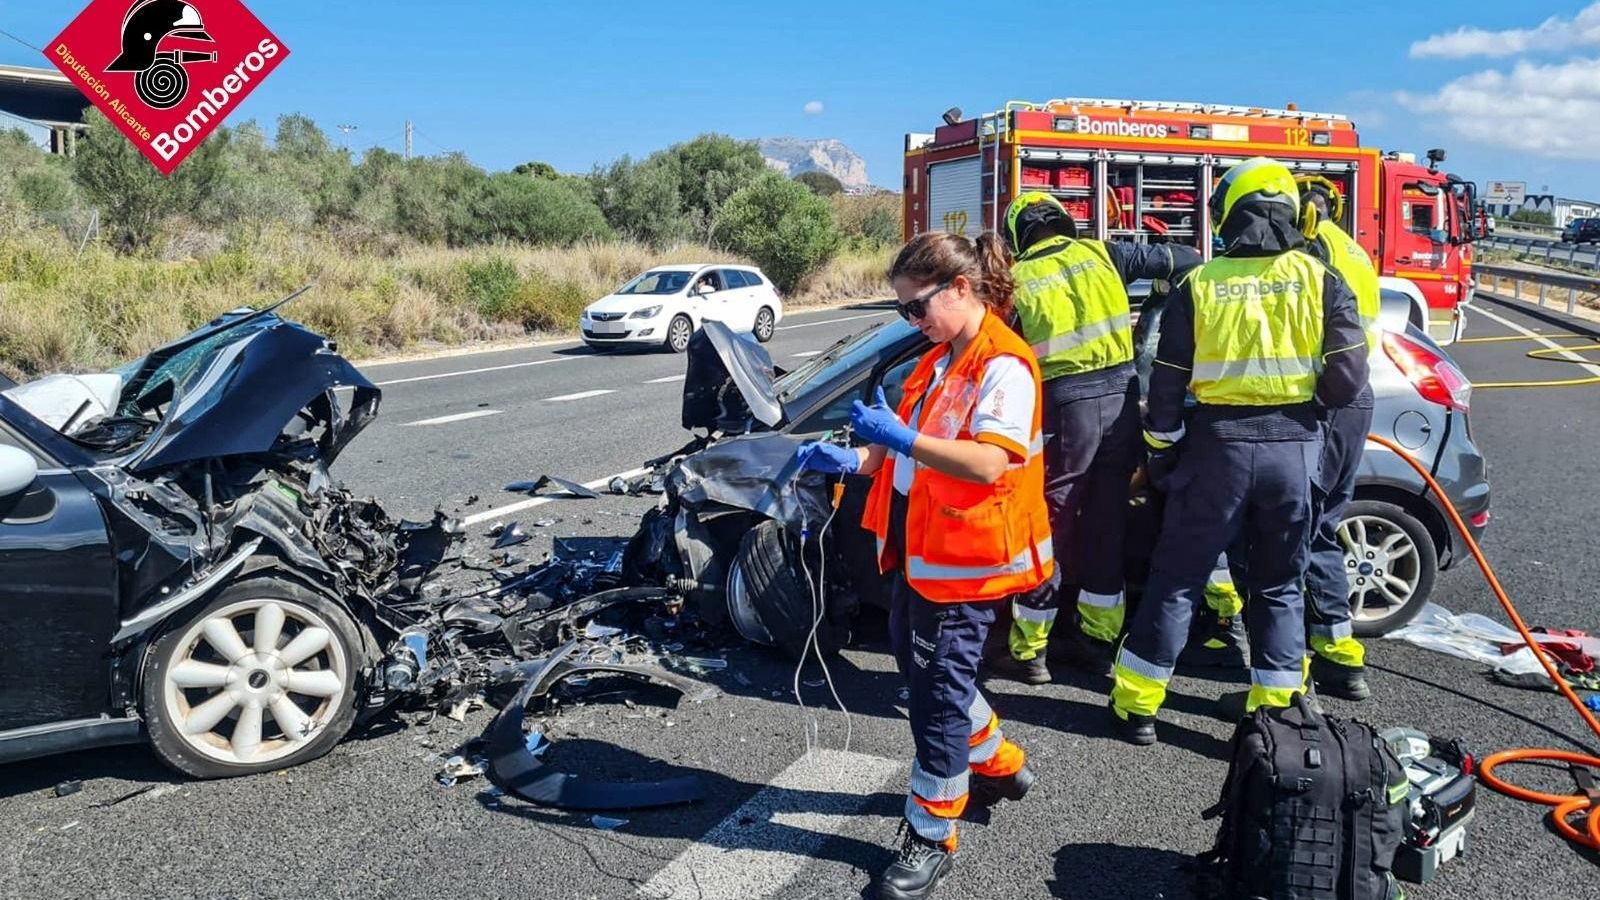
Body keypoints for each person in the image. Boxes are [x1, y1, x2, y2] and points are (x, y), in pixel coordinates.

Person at [796, 230, 1052, 899]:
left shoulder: (1004, 365)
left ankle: (931, 835)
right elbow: (896, 456)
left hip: (966, 563)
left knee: (936, 701)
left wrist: (903, 435)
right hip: (921, 551)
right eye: (905, 312)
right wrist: (850, 459)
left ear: (961, 288)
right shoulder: (938, 361)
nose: (913, 321)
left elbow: (992, 460)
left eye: (918, 308)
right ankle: (999, 763)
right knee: (925, 673)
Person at [1108, 157, 1369, 745]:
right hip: (1293, 451)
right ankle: (1276, 712)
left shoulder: (1199, 284)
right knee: (1279, 583)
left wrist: (1162, 453)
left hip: (1216, 451)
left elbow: (1168, 384)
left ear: (1227, 213)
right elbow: (1349, 377)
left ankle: (1138, 706)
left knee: (1178, 577)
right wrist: (1305, 414)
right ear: (1292, 212)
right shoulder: (1322, 278)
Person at [989, 192, 1202, 685]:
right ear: (1065, 221)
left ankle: (1031, 650)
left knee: (1050, 524)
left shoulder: (1018, 280)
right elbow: (1187, 258)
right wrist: (1160, 299)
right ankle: (1098, 642)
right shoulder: (1105, 254)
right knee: (1107, 521)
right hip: (1122, 401)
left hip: (1065, 407)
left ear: (1018, 235)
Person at [1295, 175, 1382, 701]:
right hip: (1355, 396)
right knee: (1323, 523)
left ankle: (1293, 678)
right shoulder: (1354, 250)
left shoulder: (1313, 252)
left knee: (1299, 526)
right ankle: (1339, 655)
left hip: (1327, 400)